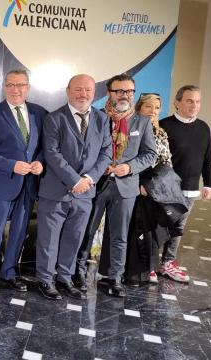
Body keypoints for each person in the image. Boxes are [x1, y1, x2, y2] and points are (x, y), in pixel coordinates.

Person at [75, 74, 157, 297]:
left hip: (125, 186)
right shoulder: (96, 117)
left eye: (129, 91)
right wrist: (95, 167)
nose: (124, 95)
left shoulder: (142, 121)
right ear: (109, 93)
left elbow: (150, 154)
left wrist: (128, 167)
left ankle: (115, 278)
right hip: (95, 183)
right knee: (86, 231)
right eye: (118, 91)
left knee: (119, 236)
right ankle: (79, 273)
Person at [35, 74, 112, 301]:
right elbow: (52, 153)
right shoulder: (54, 118)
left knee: (74, 238)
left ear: (94, 93)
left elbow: (106, 152)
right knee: (48, 239)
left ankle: (65, 278)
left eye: (87, 90)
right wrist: (74, 180)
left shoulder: (102, 119)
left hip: (85, 192)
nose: (83, 94)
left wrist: (88, 178)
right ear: (68, 91)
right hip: (56, 191)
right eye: (78, 89)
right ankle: (45, 280)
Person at [0, 69, 47, 296]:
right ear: (4, 87)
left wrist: (40, 163)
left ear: (28, 88)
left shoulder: (39, 113)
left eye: (20, 85)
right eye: (11, 85)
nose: (15, 90)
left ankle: (9, 273)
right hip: (1, 183)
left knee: (19, 231)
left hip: (28, 185)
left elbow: (45, 148)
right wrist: (11, 165)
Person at [124, 93, 186, 285]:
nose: (153, 111)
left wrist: (155, 186)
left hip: (153, 188)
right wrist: (138, 183)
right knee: (132, 230)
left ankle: (147, 268)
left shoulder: (160, 132)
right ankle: (127, 269)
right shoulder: (130, 128)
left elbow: (166, 162)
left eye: (157, 108)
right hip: (133, 183)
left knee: (152, 230)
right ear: (139, 108)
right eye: (148, 107)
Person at [159, 85, 211, 282]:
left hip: (190, 190)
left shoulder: (203, 127)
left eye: (198, 101)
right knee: (158, 227)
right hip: (166, 189)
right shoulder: (164, 125)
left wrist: (209, 184)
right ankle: (147, 265)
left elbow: (208, 157)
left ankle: (168, 263)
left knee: (178, 229)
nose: (194, 105)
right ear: (178, 102)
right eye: (190, 101)